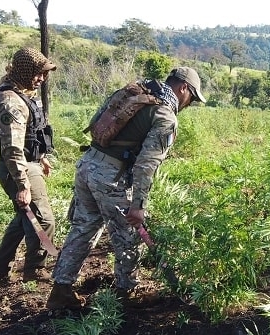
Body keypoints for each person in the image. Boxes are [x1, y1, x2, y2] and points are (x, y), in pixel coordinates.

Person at [46, 67, 206, 310]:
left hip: (88, 165)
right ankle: (125, 294)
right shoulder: (165, 115)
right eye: (191, 98)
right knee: (128, 237)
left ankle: (61, 291)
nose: (189, 104)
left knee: (83, 228)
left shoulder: (137, 93)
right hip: (111, 176)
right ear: (183, 88)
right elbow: (146, 164)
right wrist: (138, 205)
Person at [0, 48, 58, 283]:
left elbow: (31, 134)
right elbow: (12, 148)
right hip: (18, 169)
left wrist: (41, 156)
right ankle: (35, 271)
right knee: (43, 220)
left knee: (22, 219)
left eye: (44, 74)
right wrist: (23, 184)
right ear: (26, 71)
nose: (42, 79)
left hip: (28, 163)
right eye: (38, 73)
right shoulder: (10, 102)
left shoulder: (22, 94)